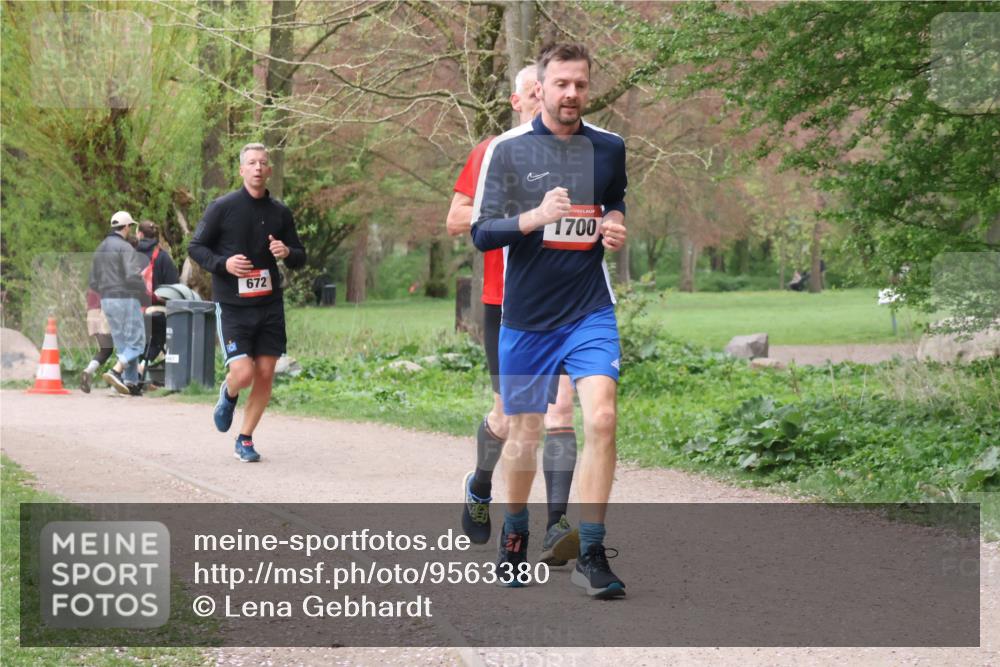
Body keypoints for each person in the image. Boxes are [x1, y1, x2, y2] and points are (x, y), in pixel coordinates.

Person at [471, 43, 628, 599]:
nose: (571, 94)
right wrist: (535, 217)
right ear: (541, 87)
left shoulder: (609, 147)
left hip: (589, 308)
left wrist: (613, 223)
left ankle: (590, 551)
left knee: (602, 420)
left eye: (580, 85)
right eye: (561, 84)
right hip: (529, 316)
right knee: (525, 432)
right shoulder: (508, 150)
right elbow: (480, 230)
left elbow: (616, 201)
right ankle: (514, 532)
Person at [446, 63, 581, 567]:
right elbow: (457, 218)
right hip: (505, 304)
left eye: (542, 91)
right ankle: (480, 485)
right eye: (531, 92)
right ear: (517, 100)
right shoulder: (493, 151)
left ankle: (558, 525)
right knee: (509, 418)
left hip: (563, 301)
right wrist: (523, 213)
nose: (539, 99)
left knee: (561, 409)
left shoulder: (574, 151)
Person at [188, 143, 306, 462]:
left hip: (269, 305)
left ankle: (245, 438)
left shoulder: (280, 212)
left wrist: (287, 252)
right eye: (251, 163)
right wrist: (223, 264)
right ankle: (228, 394)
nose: (257, 168)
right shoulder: (222, 208)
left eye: (263, 163)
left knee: (265, 372)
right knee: (243, 374)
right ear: (241, 170)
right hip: (233, 305)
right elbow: (196, 247)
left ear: (269, 170)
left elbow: (299, 255)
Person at [88, 210, 148, 396]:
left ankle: (129, 383)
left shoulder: (100, 248)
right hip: (125, 298)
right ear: (127, 227)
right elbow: (132, 275)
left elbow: (92, 281)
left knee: (123, 343)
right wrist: (142, 289)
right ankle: (116, 371)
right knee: (138, 342)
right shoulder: (125, 248)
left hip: (107, 300)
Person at [135, 220, 180, 376]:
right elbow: (173, 288)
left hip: (132, 309)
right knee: (158, 339)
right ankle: (141, 368)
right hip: (155, 310)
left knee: (137, 341)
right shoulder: (163, 257)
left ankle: (127, 373)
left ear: (140, 234)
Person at [79, 288, 117, 393]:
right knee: (124, 348)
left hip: (92, 314)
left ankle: (88, 370)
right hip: (105, 312)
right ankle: (118, 382)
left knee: (106, 350)